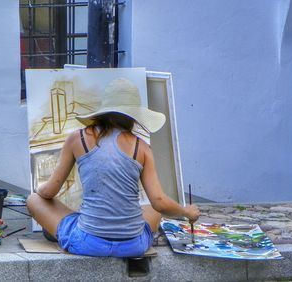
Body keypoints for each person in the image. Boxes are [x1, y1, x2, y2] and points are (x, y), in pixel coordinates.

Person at [27, 78, 200, 257]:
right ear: (134, 116)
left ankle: (75, 230)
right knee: (152, 209)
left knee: (34, 199)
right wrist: (187, 212)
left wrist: (40, 188)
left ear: (103, 112)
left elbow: (48, 193)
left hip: (88, 243)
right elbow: (159, 202)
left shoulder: (76, 138)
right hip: (134, 245)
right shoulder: (142, 147)